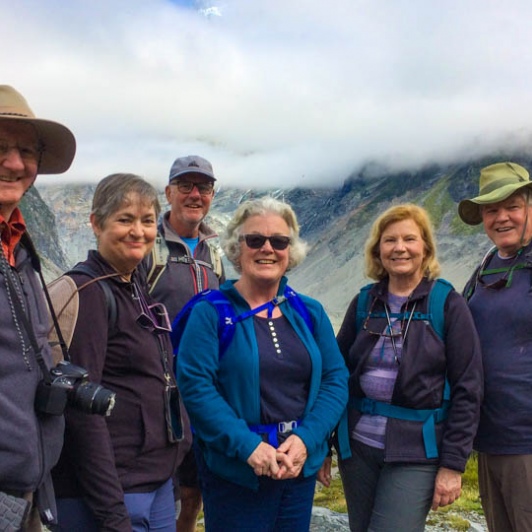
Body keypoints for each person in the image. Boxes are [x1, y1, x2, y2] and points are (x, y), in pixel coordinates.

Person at [175, 196, 349, 531]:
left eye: (279, 241)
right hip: (235, 474)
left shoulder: (309, 312)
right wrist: (249, 448)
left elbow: (335, 379)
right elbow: (196, 387)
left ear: (290, 250)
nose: (267, 248)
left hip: (296, 470)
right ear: (236, 248)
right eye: (254, 239)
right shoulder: (210, 313)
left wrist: (306, 440)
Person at [335, 204, 483, 532]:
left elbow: (468, 389)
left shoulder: (447, 304)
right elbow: (335, 374)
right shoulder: (364, 302)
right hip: (357, 448)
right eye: (389, 240)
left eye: (409, 239)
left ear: (426, 248)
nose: (399, 247)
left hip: (417, 450)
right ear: (378, 250)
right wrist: (322, 445)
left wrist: (453, 465)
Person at [51, 174, 181, 531]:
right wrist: (112, 516)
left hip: (154, 483)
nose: (138, 231)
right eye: (124, 219)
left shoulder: (133, 283)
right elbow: (82, 413)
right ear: (96, 223)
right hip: (110, 494)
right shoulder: (90, 291)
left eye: (147, 220)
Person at [0, 85, 75, 531]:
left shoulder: (18, 248)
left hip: (29, 483)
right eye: (0, 148)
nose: (15, 163)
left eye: (27, 151)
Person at [142, 155, 225, 531]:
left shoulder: (216, 255)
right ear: (169, 192)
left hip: (203, 391)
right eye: (186, 186)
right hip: (157, 391)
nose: (195, 194)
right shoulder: (148, 248)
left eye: (203, 187)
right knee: (159, 484)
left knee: (194, 488)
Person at [459, 162, 532, 532]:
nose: (502, 217)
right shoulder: (486, 266)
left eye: (513, 206)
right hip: (489, 440)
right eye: (492, 210)